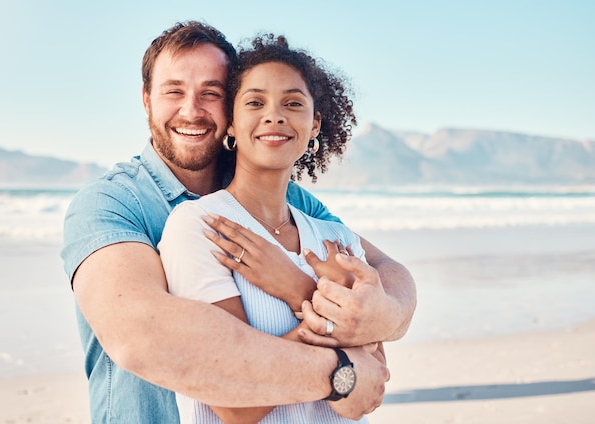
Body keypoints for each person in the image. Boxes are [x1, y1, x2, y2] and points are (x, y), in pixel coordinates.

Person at [61, 21, 416, 423]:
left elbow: (386, 271)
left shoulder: (292, 202)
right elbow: (142, 337)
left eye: (210, 93)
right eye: (173, 91)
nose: (191, 110)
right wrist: (340, 371)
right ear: (146, 100)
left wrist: (372, 312)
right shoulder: (111, 202)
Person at [159, 33, 384, 423]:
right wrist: (327, 313)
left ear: (314, 124)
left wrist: (300, 293)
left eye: (293, 103)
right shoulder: (200, 228)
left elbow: (367, 393)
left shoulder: (340, 240)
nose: (274, 115)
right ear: (232, 121)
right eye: (255, 102)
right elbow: (234, 405)